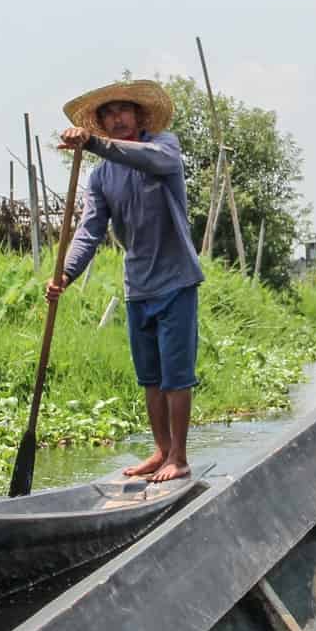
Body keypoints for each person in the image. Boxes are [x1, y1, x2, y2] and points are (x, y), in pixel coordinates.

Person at [46, 78, 203, 482]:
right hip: (139, 286)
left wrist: (92, 144)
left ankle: (179, 458)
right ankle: (161, 450)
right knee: (150, 376)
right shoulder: (100, 179)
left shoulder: (164, 147)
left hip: (176, 281)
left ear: (138, 115)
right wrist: (66, 272)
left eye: (123, 110)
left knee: (175, 375)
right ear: (101, 121)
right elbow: (89, 230)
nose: (117, 118)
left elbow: (151, 160)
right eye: (108, 113)